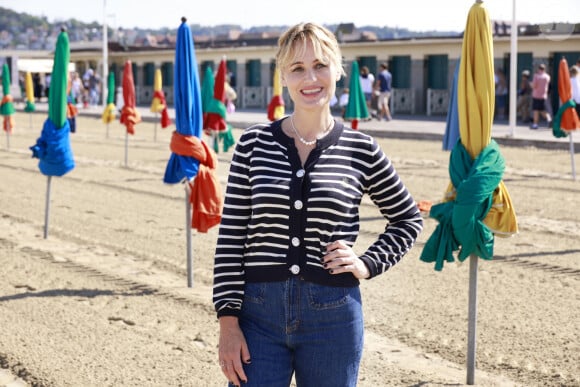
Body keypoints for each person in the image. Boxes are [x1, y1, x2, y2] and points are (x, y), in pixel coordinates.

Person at [213, 22, 423, 387]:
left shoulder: (363, 149)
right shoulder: (252, 144)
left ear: (338, 70)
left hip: (334, 318)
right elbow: (231, 237)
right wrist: (228, 323)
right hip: (257, 316)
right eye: (297, 68)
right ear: (283, 77)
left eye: (320, 65)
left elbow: (406, 218)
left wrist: (367, 263)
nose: (310, 77)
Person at [531, 63, 551, 129]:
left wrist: (531, 84)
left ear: (538, 68)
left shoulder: (536, 76)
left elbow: (534, 86)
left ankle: (535, 124)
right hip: (543, 96)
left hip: (536, 95)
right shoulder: (547, 76)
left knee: (536, 110)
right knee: (542, 110)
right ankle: (549, 119)